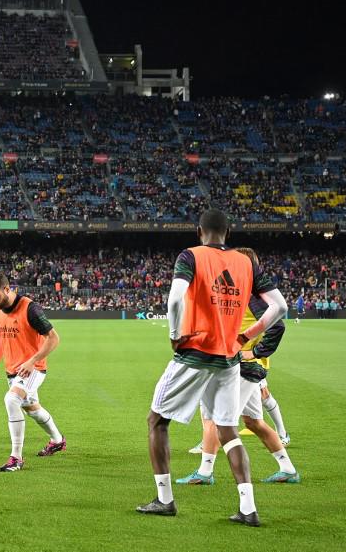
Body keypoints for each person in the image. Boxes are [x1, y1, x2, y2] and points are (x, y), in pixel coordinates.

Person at [138, 209, 286, 526]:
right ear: (228, 232)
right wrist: (246, 335)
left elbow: (175, 300)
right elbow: (280, 307)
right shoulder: (247, 263)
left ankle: (165, 500)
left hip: (196, 353)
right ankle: (248, 508)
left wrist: (175, 336)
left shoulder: (190, 256)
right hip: (230, 358)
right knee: (228, 430)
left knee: (157, 421)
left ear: (199, 231)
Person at [177, 247, 298, 486]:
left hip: (244, 367)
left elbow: (278, 326)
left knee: (213, 418)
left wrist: (252, 351)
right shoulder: (244, 294)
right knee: (253, 422)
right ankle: (288, 469)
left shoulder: (253, 297)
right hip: (250, 368)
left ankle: (204, 473)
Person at [0, 271, 66, 472]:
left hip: (33, 369)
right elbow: (1, 335)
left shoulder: (30, 308)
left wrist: (33, 361)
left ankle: (16, 458)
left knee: (11, 400)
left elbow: (53, 338)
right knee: (32, 409)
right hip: (13, 369)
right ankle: (57, 440)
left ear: (7, 289)